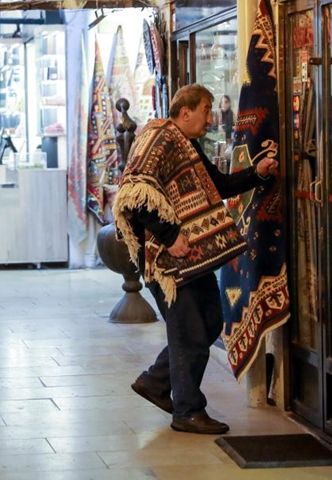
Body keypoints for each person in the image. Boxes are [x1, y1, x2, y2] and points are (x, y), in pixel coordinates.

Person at [112, 84, 278, 435]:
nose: (210, 117)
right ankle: (188, 410)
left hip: (192, 256)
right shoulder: (158, 137)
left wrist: (257, 173)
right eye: (205, 109)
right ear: (184, 111)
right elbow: (133, 193)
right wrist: (170, 237)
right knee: (189, 328)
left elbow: (216, 184)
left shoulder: (186, 144)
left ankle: (155, 382)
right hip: (167, 261)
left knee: (209, 319)